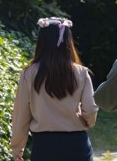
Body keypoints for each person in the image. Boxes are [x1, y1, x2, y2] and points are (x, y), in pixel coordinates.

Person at [10, 17, 98, 161]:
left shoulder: (28, 73)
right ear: (68, 41)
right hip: (77, 143)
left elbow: (21, 114)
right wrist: (87, 122)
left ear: (41, 41)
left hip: (44, 146)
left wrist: (17, 148)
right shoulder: (81, 72)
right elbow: (90, 108)